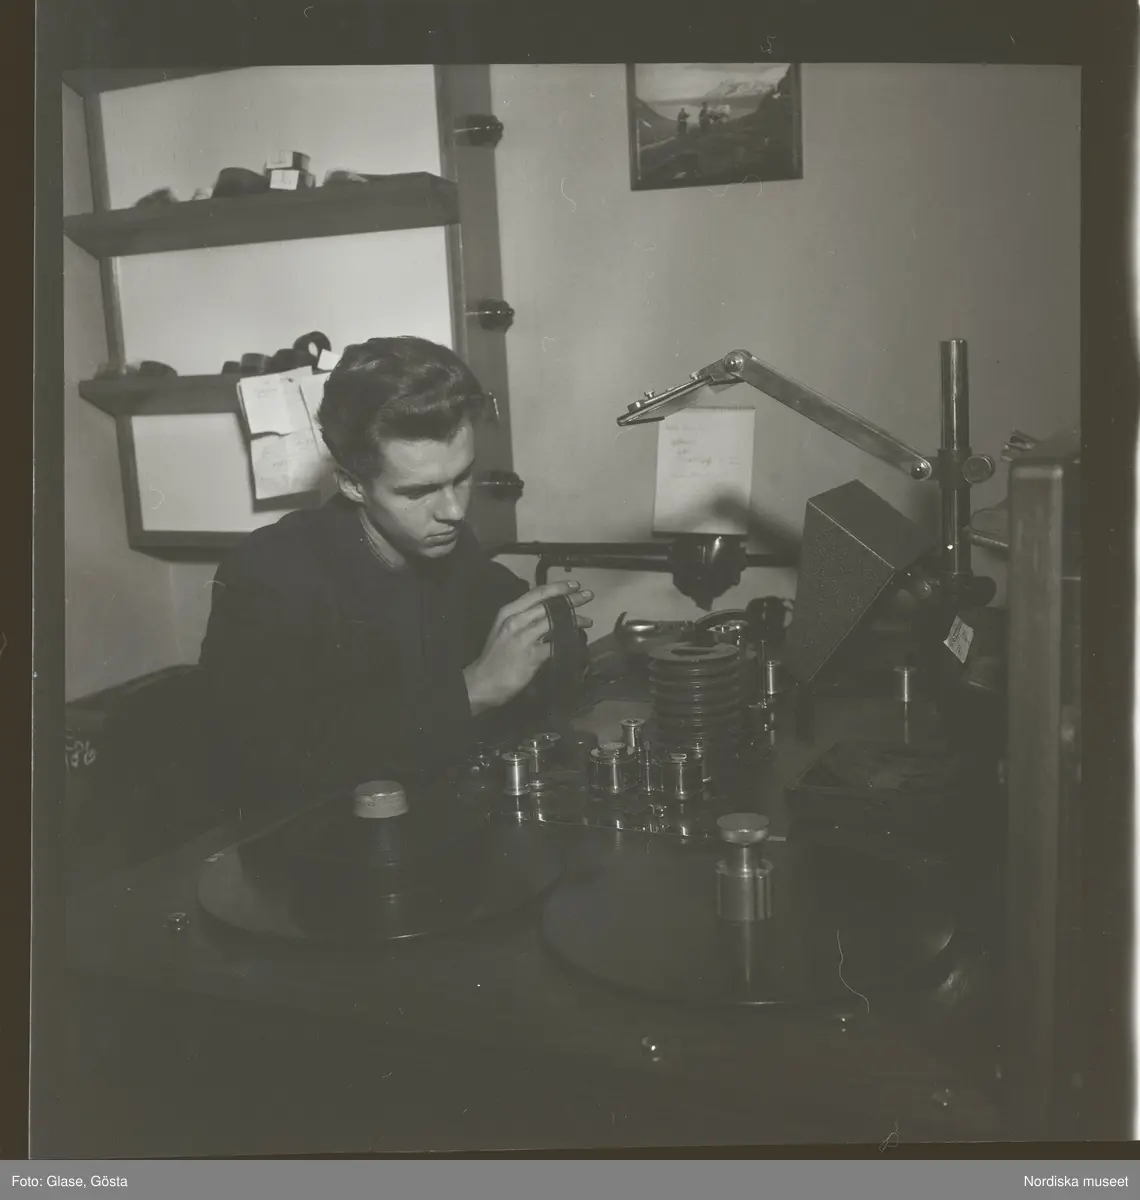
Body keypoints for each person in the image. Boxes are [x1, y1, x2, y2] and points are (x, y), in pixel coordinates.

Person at [198, 336, 594, 812]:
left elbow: (518, 625)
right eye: (417, 492)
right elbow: (268, 763)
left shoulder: (446, 542)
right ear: (352, 484)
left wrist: (552, 633)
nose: (453, 510)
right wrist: (473, 690)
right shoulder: (268, 576)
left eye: (461, 478)